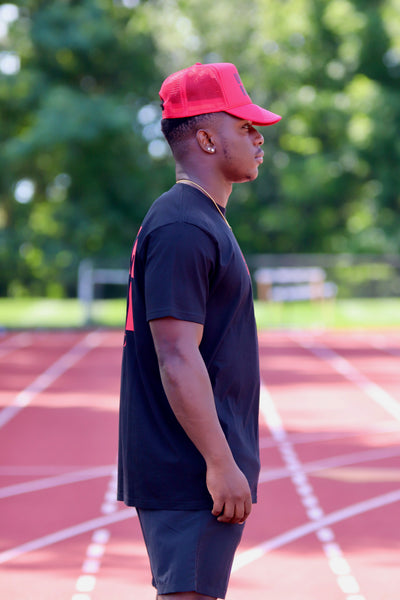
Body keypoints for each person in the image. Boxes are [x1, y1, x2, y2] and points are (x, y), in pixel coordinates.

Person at [118, 62, 281, 600]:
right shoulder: (185, 224)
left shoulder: (198, 217)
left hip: (195, 467)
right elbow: (175, 356)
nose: (259, 137)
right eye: (244, 126)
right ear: (207, 138)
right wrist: (219, 462)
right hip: (190, 471)